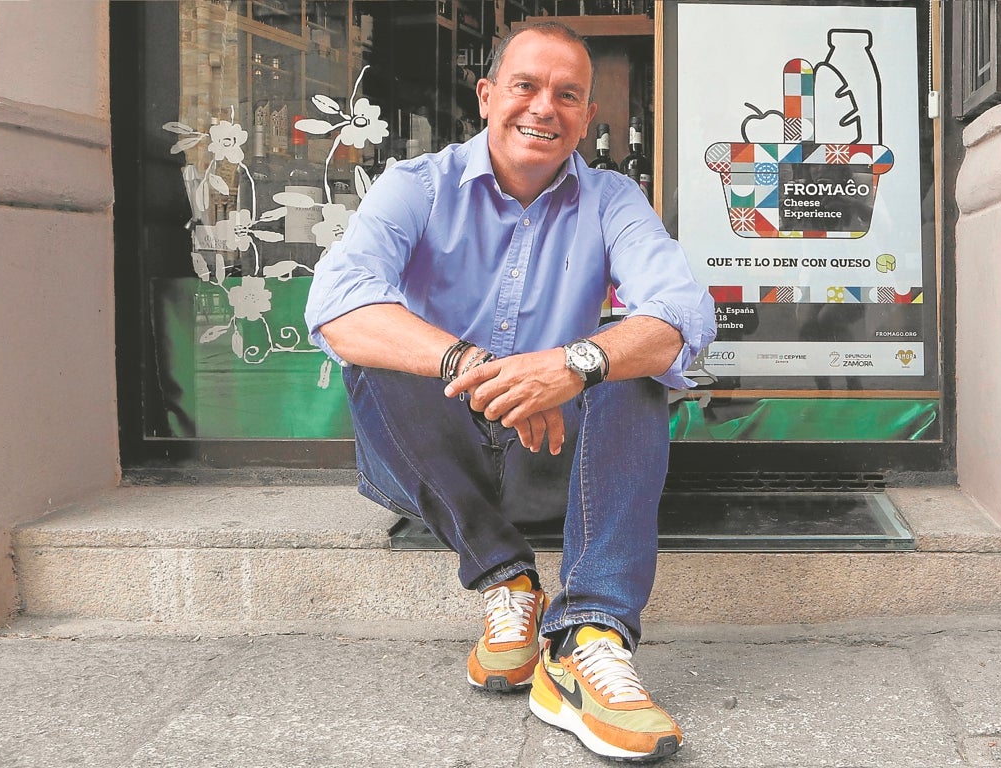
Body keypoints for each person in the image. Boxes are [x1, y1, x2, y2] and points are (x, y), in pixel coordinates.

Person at [305, 21, 715, 762]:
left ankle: (587, 637)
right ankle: (506, 577)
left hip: (552, 457)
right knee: (375, 353)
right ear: (488, 94)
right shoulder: (415, 186)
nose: (544, 107)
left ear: (589, 117)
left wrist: (573, 363)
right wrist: (479, 365)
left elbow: (684, 316)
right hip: (437, 455)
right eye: (525, 86)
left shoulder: (613, 199)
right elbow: (336, 305)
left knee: (636, 366)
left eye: (568, 94)